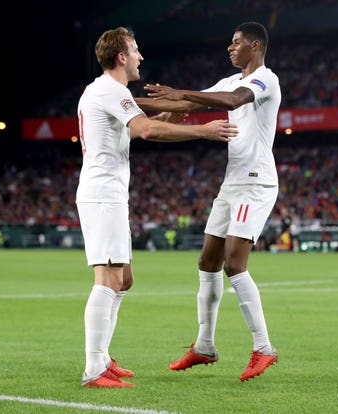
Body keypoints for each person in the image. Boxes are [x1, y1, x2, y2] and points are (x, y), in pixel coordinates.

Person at [76, 27, 238, 388]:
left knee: (124, 279)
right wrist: (203, 131)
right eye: (135, 50)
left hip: (111, 194)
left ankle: (102, 357)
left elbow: (135, 131)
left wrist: (166, 120)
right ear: (121, 56)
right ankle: (93, 368)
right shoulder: (111, 89)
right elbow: (146, 131)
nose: (140, 57)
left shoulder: (104, 92)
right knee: (108, 278)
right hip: (102, 194)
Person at [135, 21, 280, 381]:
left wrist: (181, 92)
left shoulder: (265, 79)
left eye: (236, 43)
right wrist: (122, 100)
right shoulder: (229, 80)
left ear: (255, 46)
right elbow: (186, 101)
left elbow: (231, 102)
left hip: (256, 183)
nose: (230, 48)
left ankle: (263, 348)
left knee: (234, 263)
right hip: (233, 182)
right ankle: (204, 345)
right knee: (208, 260)